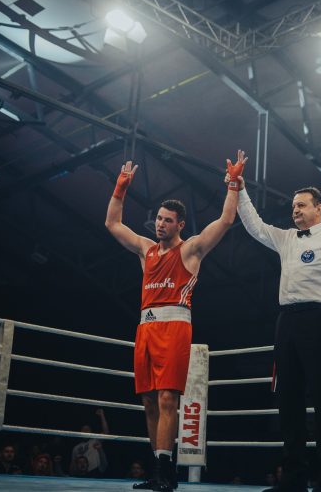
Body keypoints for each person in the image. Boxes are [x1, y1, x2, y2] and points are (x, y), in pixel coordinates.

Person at [228, 163, 321, 492]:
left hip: (318, 320)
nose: (295, 210)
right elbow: (254, 225)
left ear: (318, 208)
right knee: (288, 398)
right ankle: (293, 477)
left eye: (301, 205)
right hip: (286, 321)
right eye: (293, 205)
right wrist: (240, 187)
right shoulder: (286, 239)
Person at [106, 152, 245, 492]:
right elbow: (113, 224)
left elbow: (226, 220)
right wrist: (120, 189)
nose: (160, 224)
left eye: (167, 221)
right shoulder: (146, 250)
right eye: (158, 219)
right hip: (146, 328)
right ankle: (159, 470)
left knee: (168, 398)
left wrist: (232, 184)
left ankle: (165, 471)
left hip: (175, 328)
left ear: (180, 224)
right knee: (149, 401)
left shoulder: (192, 250)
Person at [70, 408, 109, 476]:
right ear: (80, 432)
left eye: (87, 430)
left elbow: (106, 432)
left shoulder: (95, 440)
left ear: (91, 432)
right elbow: (72, 465)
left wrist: (102, 415)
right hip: (81, 475)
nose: (85, 431)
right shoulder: (75, 448)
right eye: (83, 430)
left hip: (95, 472)